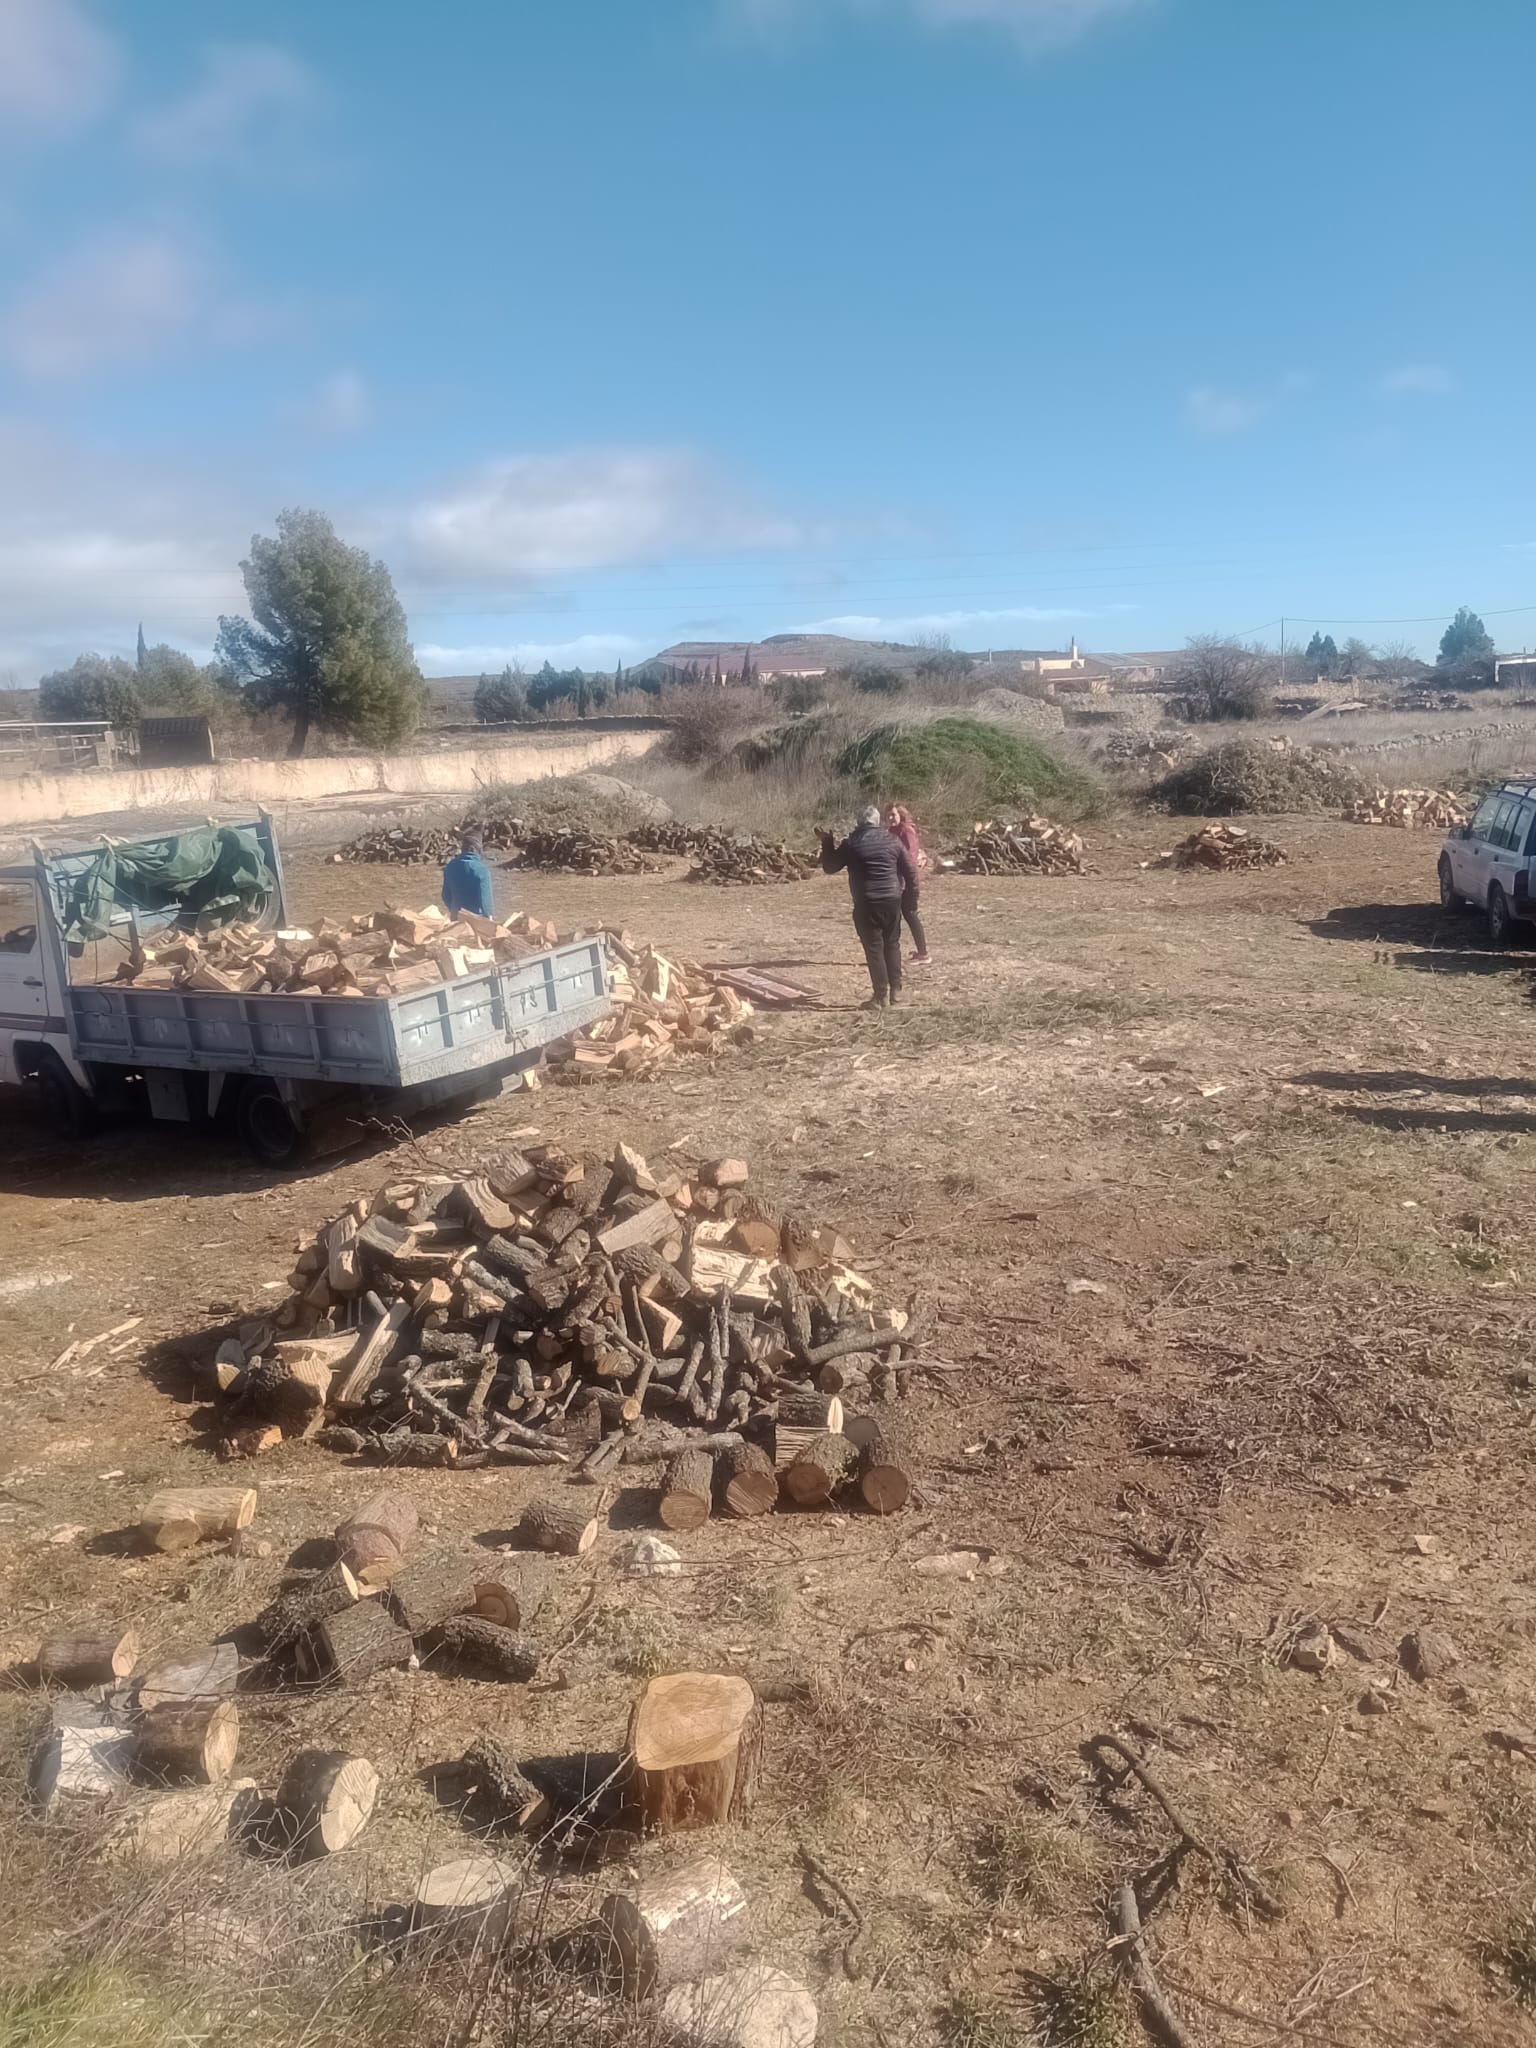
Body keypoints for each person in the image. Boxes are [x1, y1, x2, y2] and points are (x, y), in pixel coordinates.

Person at [819, 804, 916, 1009]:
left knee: (874, 949)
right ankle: (896, 990)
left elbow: (830, 867)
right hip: (892, 900)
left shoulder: (851, 844)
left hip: (866, 902)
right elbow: (910, 871)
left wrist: (827, 843)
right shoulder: (893, 840)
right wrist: (911, 899)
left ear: (858, 823)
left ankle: (880, 996)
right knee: (892, 944)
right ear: (877, 821)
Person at [886, 803, 932, 966]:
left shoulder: (907, 830)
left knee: (910, 914)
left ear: (901, 815)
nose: (890, 818)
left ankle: (923, 954)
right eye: (888, 815)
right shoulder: (892, 831)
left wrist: (902, 878)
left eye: (893, 814)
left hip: (908, 880)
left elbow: (910, 857)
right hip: (896, 879)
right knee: (897, 915)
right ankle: (893, 953)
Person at [442, 828, 495, 919]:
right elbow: (485, 901)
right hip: (476, 920)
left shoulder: (450, 866)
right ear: (478, 849)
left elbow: (445, 895)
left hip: (456, 918)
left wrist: (454, 910)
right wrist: (489, 917)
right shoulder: (482, 871)